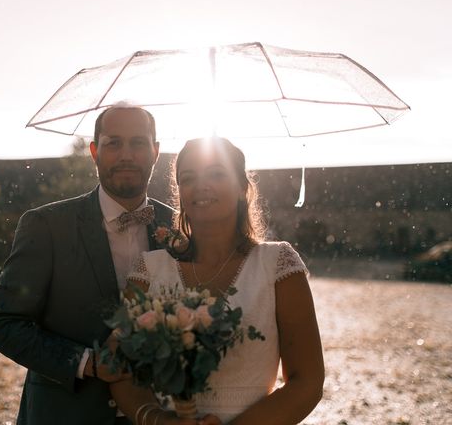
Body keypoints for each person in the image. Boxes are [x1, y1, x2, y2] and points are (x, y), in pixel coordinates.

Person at [110, 136, 325, 425]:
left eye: (216, 174)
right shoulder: (149, 270)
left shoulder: (278, 265)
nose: (201, 185)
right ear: (180, 193)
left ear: (242, 189)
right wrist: (160, 421)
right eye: (188, 178)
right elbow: (122, 372)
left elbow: (307, 381)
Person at [0, 105, 177, 425]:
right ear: (94, 151)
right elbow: (4, 324)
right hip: (67, 413)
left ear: (156, 151)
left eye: (138, 143)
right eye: (113, 143)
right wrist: (87, 363)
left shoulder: (180, 226)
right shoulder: (46, 225)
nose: (126, 154)